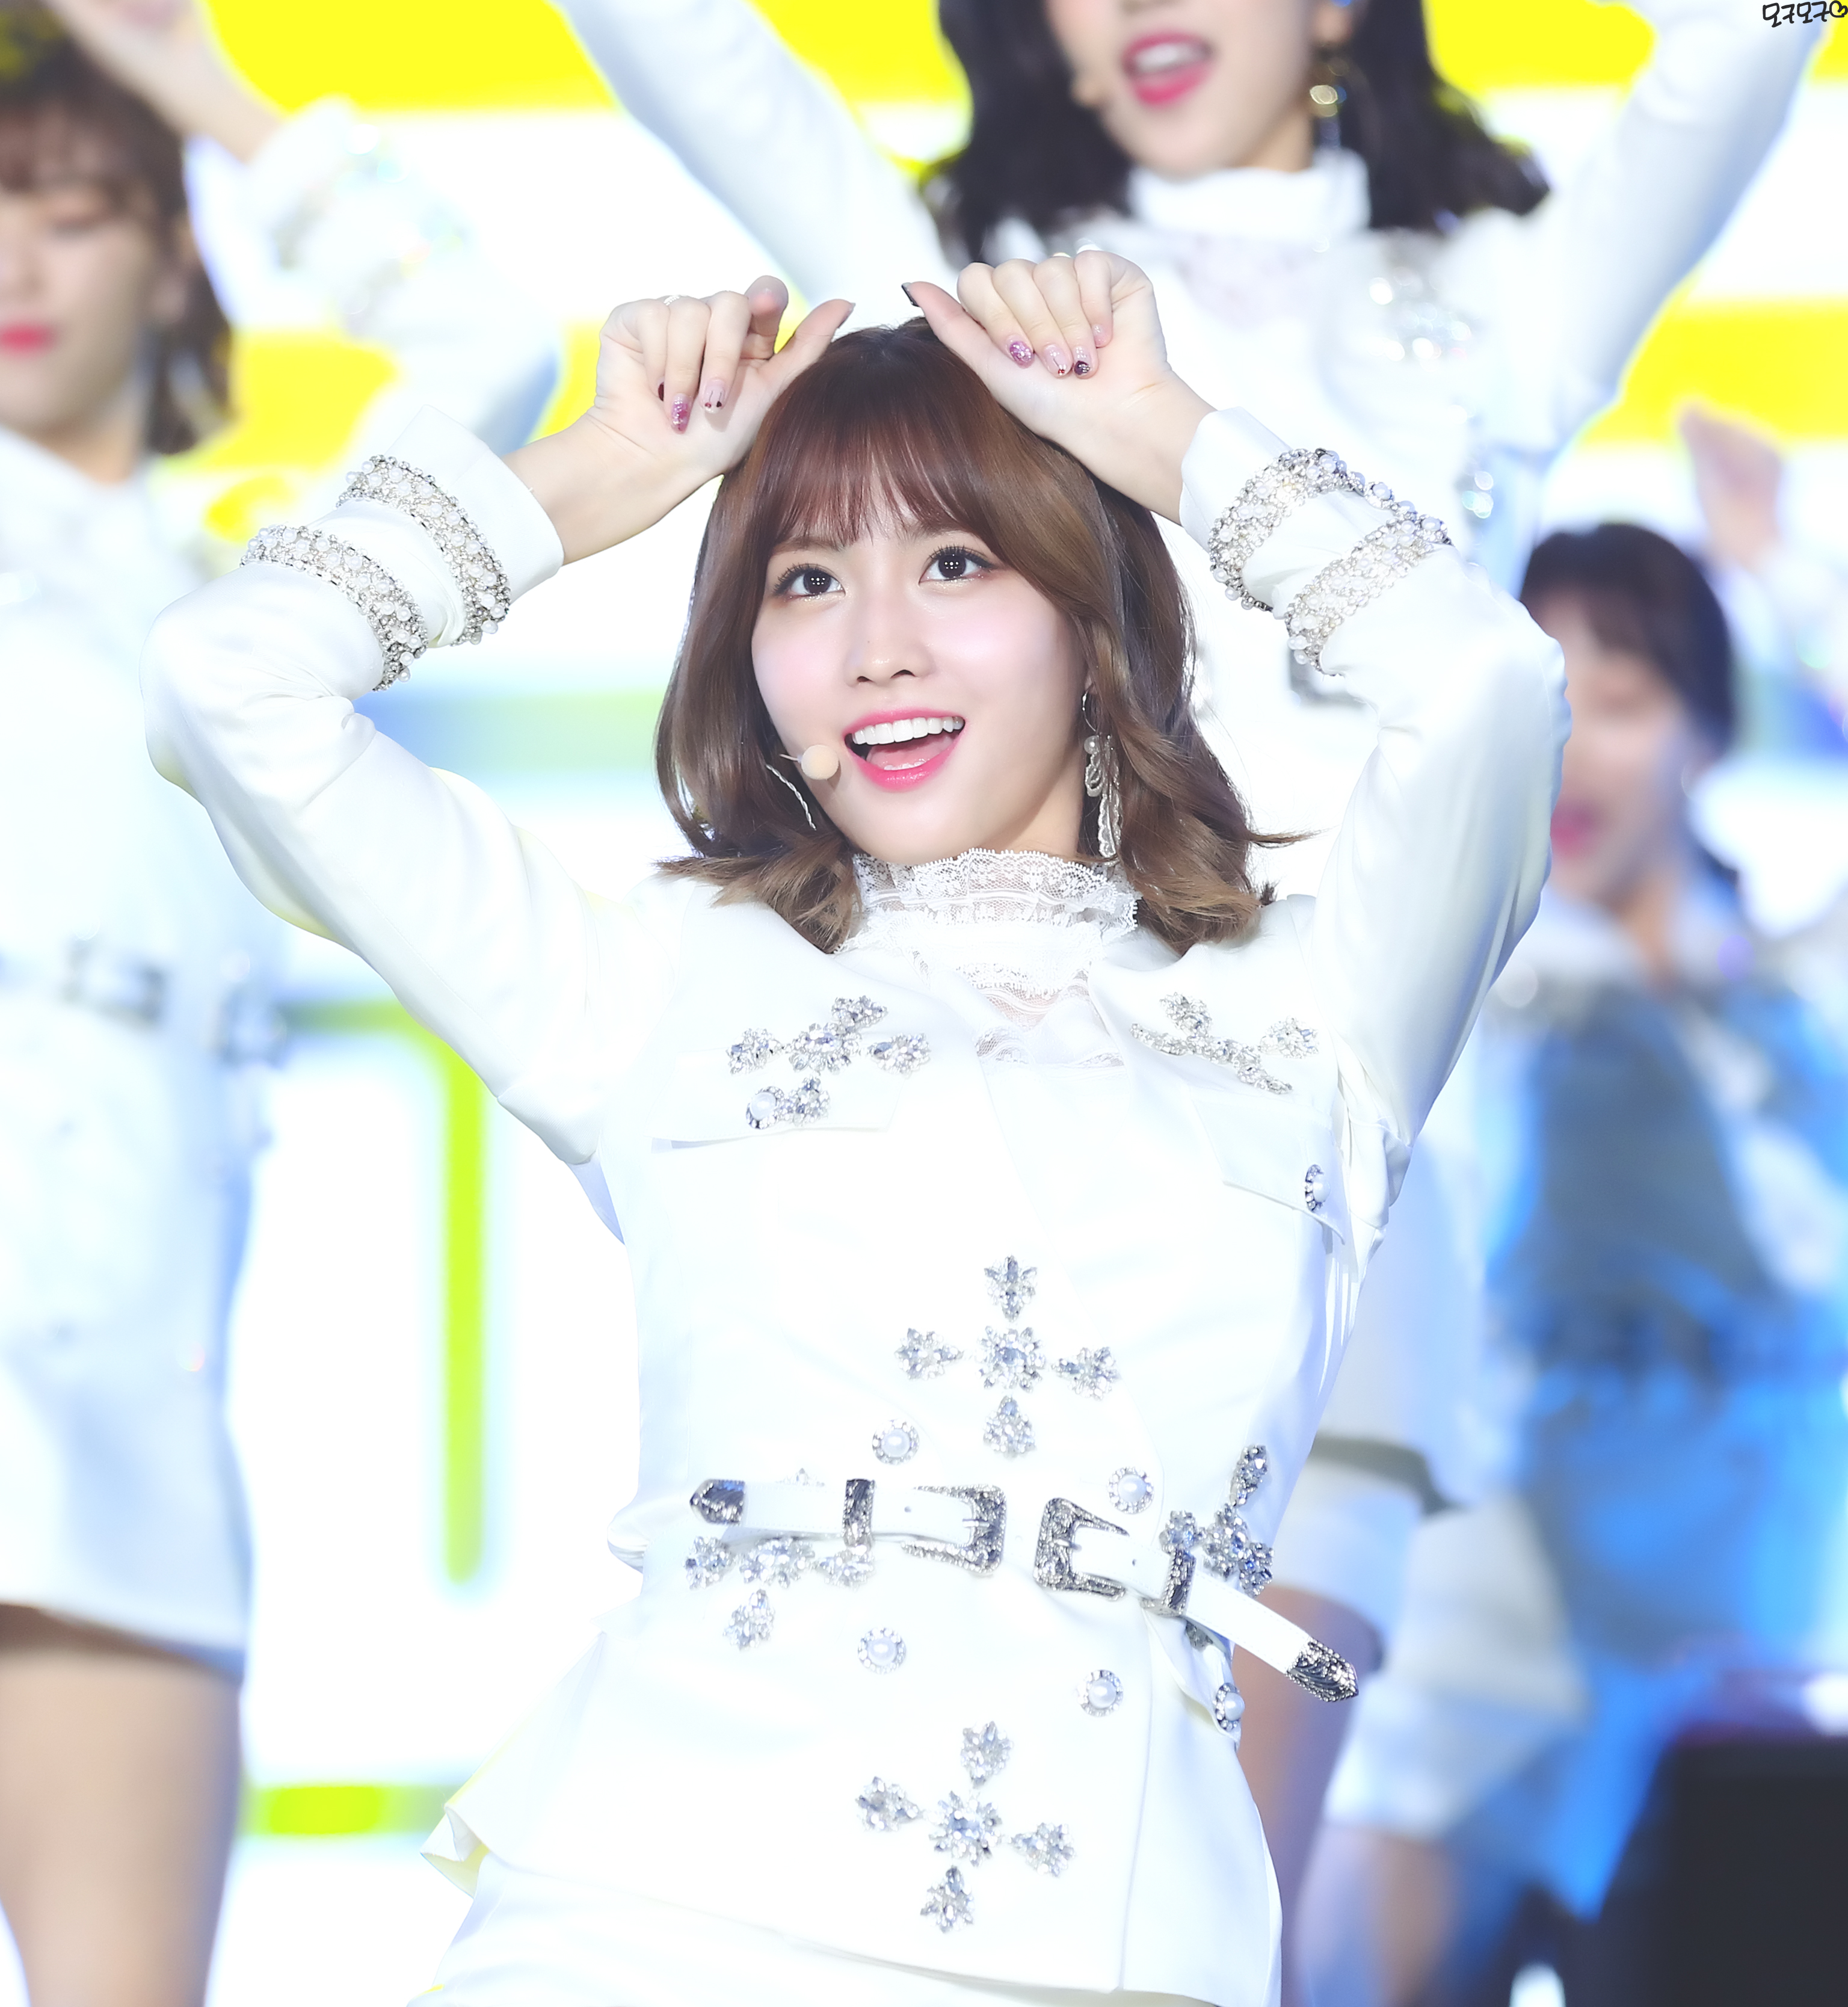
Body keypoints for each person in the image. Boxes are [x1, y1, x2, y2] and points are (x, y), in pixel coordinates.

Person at [545, 4, 1823, 1971]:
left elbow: (1737, 62)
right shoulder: (967, 282)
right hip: (989, 1158)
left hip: (1317, 1159)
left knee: (1220, 1916)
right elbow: (705, 64)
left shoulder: (1489, 294)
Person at [143, 241, 1563, 2007]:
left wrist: (1161, 428)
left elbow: (1491, 689)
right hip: (647, 1906)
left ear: (1092, 614)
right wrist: (600, 470)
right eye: (806, 580)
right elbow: (229, 685)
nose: (877, 647)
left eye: (957, 561)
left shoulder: (1324, 996)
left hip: (1109, 1926)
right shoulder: (655, 977)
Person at [0, 4, 555, 2002]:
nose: (14, 261)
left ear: (173, 256)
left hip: (131, 1429)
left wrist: (194, 84)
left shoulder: (236, 607)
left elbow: (492, 355)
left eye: (72, 211)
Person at [1302, 522, 1848, 2007]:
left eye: (1621, 700)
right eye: (1546, 699)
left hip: (1749, 1624)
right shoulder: (1464, 978)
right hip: (1497, 1603)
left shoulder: (1806, 990)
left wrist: (1785, 576)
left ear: (1707, 733)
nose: (1576, 749)